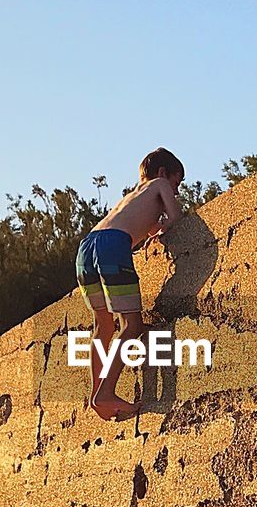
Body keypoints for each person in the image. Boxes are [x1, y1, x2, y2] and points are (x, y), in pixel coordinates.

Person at [75, 147, 185, 420]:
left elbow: (147, 225)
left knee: (103, 325)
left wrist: (155, 229)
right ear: (162, 174)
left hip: (87, 247)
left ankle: (96, 397)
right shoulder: (159, 185)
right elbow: (177, 219)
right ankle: (106, 392)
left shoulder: (130, 199)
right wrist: (165, 227)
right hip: (113, 246)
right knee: (131, 325)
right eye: (177, 183)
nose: (176, 191)